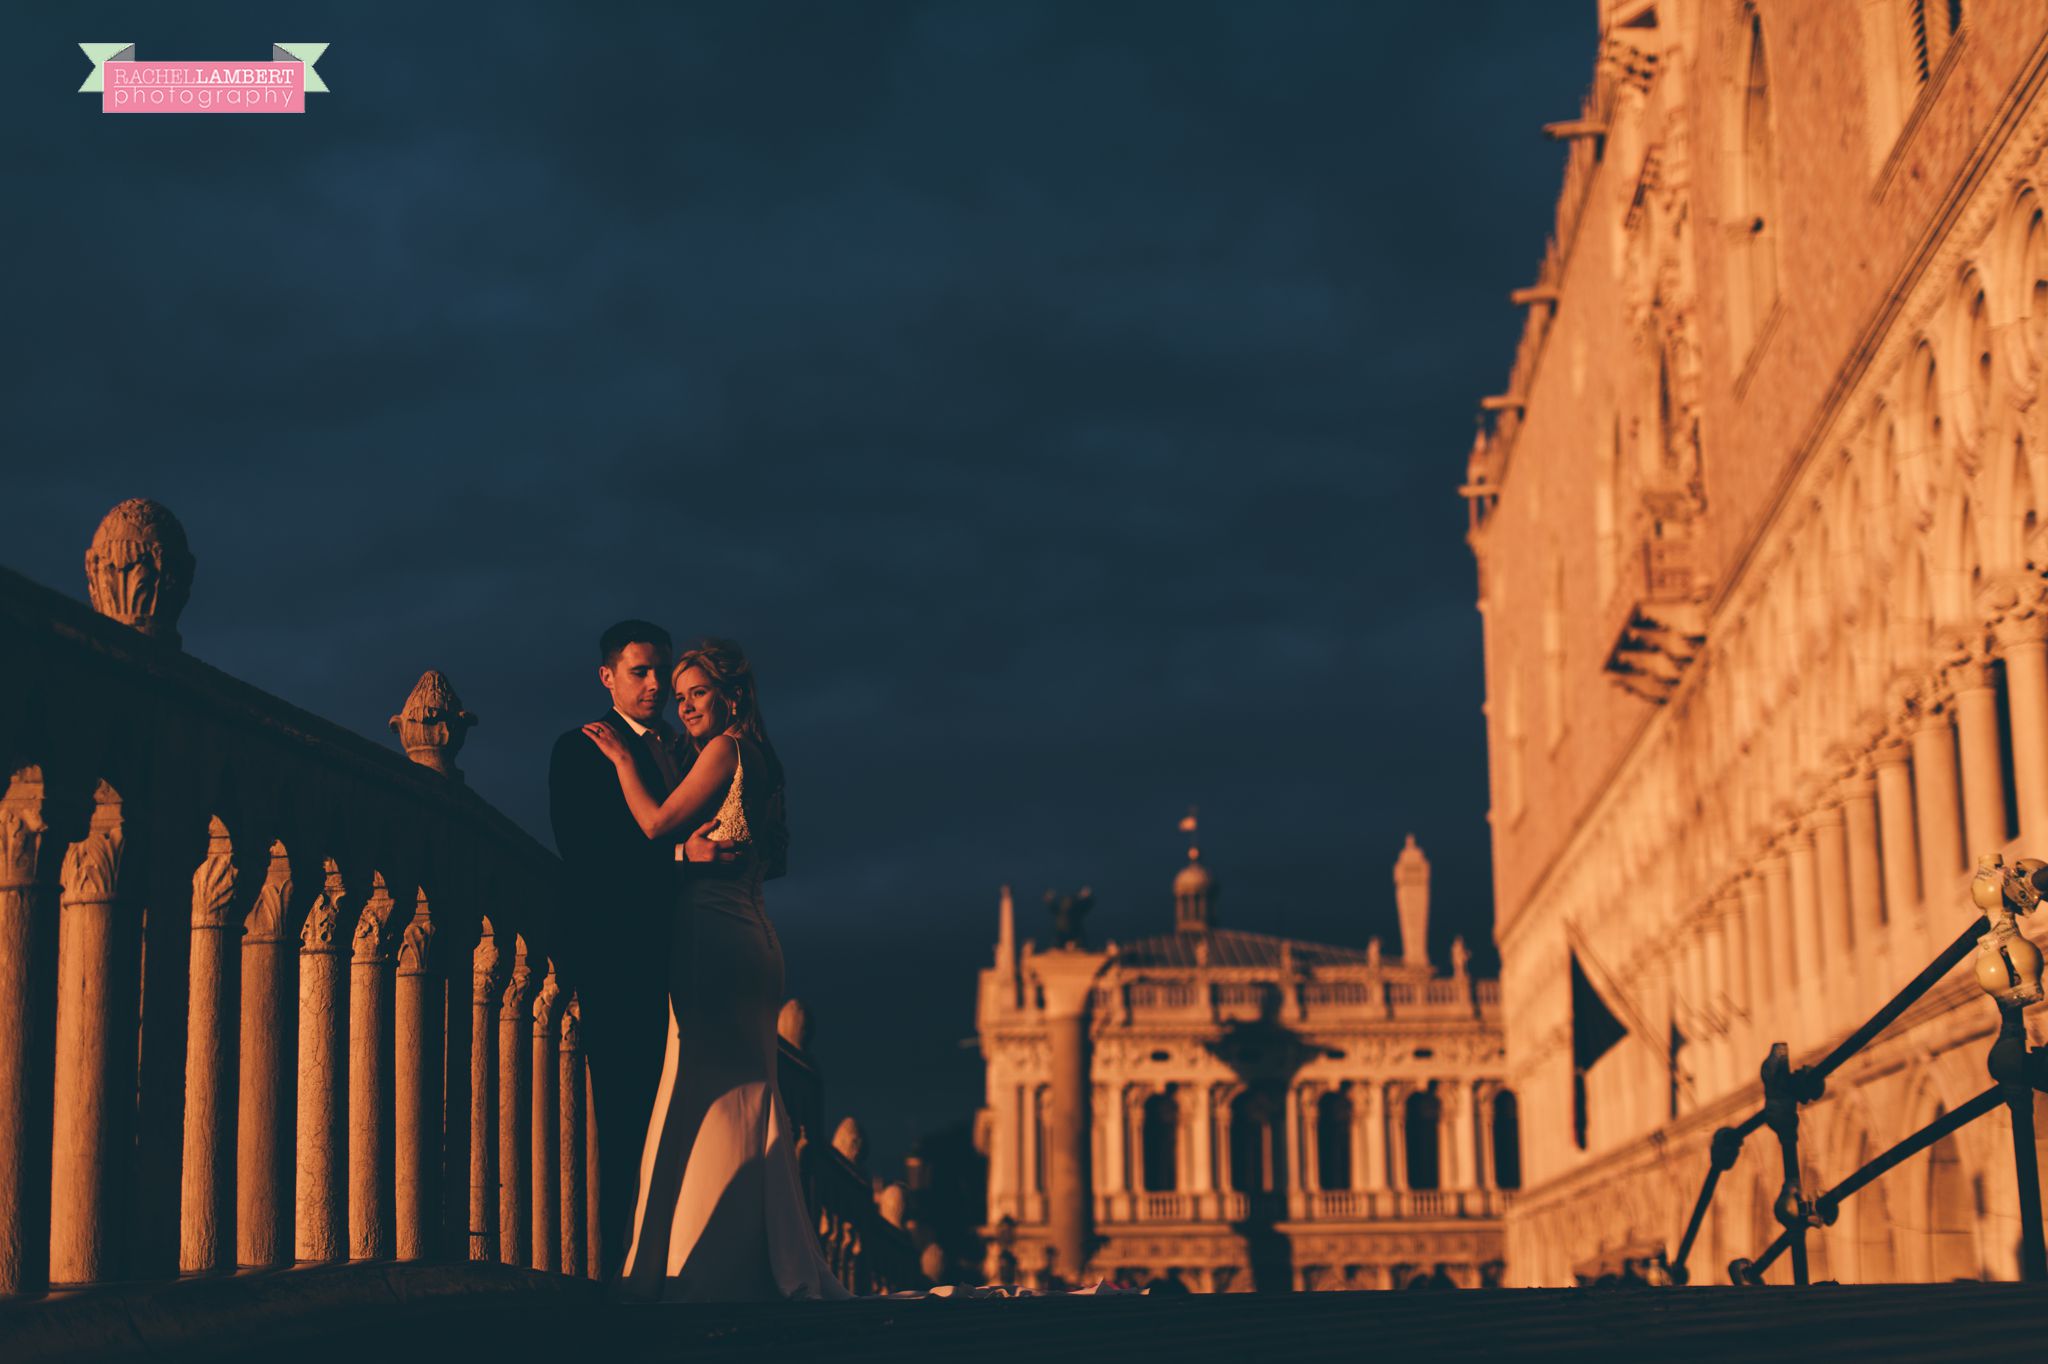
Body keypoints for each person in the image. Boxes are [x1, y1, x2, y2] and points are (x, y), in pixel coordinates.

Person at [582, 637, 849, 1301]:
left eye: (698, 693)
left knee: (700, 1087)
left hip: (712, 935)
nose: (686, 706)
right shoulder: (765, 760)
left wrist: (619, 757)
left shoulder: (725, 750)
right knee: (747, 1092)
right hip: (756, 938)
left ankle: (704, 1264)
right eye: (680, 698)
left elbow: (654, 824)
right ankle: (754, 1260)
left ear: (731, 695)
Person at [548, 620, 727, 1283]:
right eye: (639, 672)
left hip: (690, 950)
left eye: (660, 671)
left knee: (675, 1110)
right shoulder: (580, 749)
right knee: (627, 1113)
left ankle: (675, 1258)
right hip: (624, 956)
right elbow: (590, 855)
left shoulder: (685, 751)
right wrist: (682, 858)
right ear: (608, 677)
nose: (655, 684)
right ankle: (622, 1270)